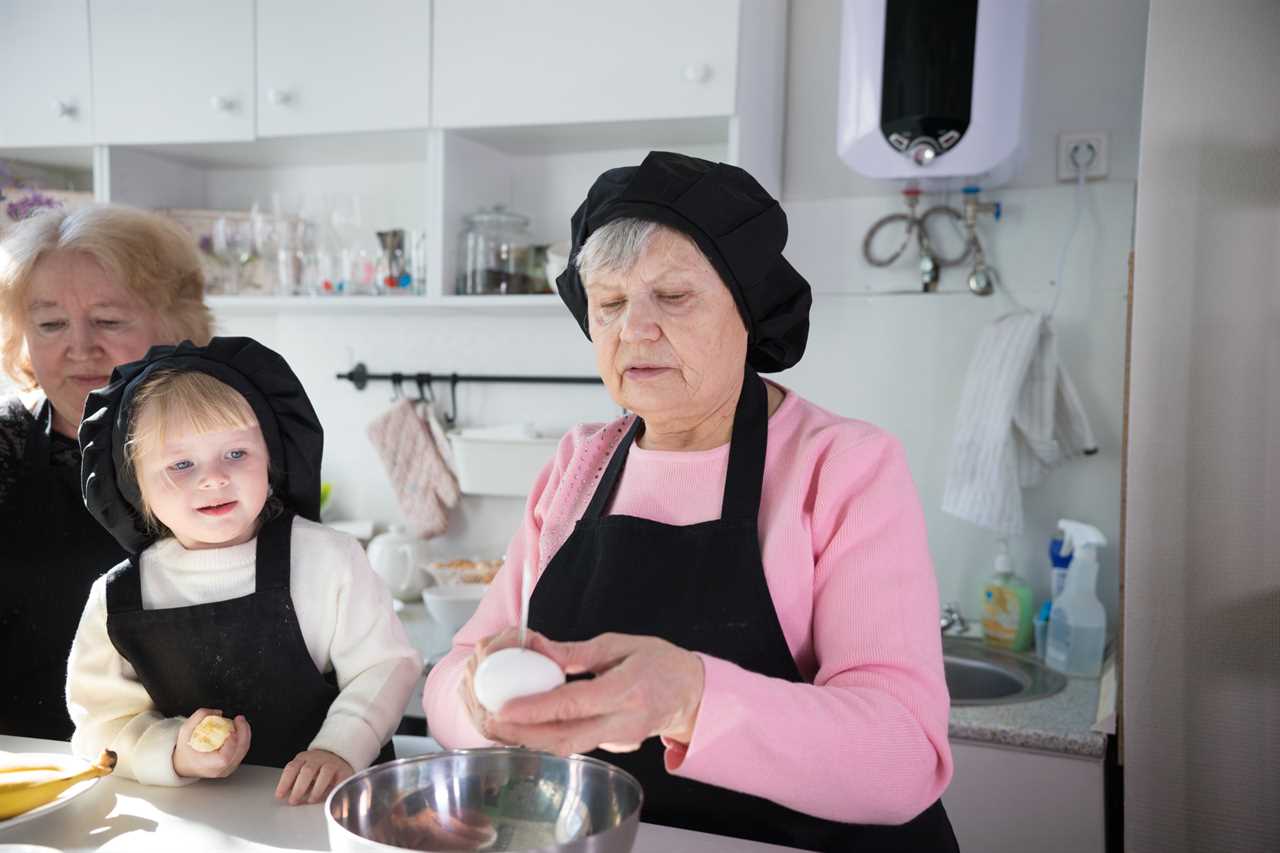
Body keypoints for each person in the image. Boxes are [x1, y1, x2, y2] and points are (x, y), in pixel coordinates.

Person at [423, 152, 959, 851]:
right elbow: (451, 675)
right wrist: (483, 706)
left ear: (749, 310)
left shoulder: (844, 464)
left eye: (672, 297)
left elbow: (904, 755)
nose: (633, 330)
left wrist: (690, 698)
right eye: (609, 304)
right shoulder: (578, 464)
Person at [67, 337, 421, 804]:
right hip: (195, 823)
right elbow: (99, 726)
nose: (213, 478)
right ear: (136, 486)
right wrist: (172, 752)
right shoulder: (117, 600)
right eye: (181, 464)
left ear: (271, 457)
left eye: (236, 454)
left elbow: (386, 666)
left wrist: (340, 749)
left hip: (328, 809)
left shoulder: (328, 560)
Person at [0, 204, 213, 739]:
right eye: (50, 324)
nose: (79, 346)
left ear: (175, 328)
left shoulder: (238, 444)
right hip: (36, 771)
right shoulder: (4, 446)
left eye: (108, 320)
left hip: (214, 770)